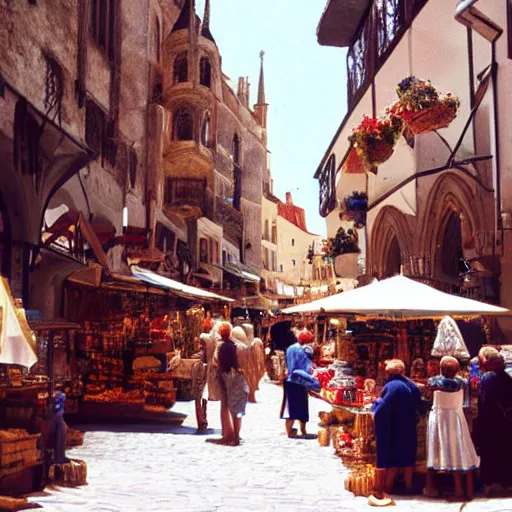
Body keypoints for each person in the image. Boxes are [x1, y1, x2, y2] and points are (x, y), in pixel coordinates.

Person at [425, 356, 479, 499]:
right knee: (460, 452)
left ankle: (431, 488)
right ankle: (464, 489)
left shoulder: (434, 381)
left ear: (441, 369)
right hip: (456, 418)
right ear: (457, 369)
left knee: (436, 450)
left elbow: (427, 395)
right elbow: (467, 402)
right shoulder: (462, 382)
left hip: (440, 418)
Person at [372, 359, 421, 497]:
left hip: (395, 425)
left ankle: (386, 487)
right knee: (408, 455)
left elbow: (382, 405)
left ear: (389, 372)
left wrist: (373, 408)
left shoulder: (392, 386)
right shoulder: (412, 385)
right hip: (409, 423)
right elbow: (419, 404)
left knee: (394, 457)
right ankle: (409, 486)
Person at [476, 346, 512, 494]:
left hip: (492, 423)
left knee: (492, 451)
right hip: (506, 421)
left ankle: (492, 481)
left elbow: (485, 402)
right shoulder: (506, 376)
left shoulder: (488, 378)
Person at [209, 322, 249, 446]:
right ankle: (236, 436)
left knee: (229, 408)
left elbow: (217, 363)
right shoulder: (236, 346)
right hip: (237, 380)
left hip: (225, 380)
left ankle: (229, 435)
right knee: (237, 410)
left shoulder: (220, 348)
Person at [280, 329, 314, 438]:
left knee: (290, 406)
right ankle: (302, 430)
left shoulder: (290, 348)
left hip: (290, 380)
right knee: (301, 407)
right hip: (299, 381)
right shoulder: (304, 351)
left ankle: (289, 430)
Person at [191, 333, 209, 434]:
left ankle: (201, 420)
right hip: (205, 378)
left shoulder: (204, 352)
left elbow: (200, 356)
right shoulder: (208, 351)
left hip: (201, 377)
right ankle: (203, 418)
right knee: (203, 398)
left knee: (199, 397)